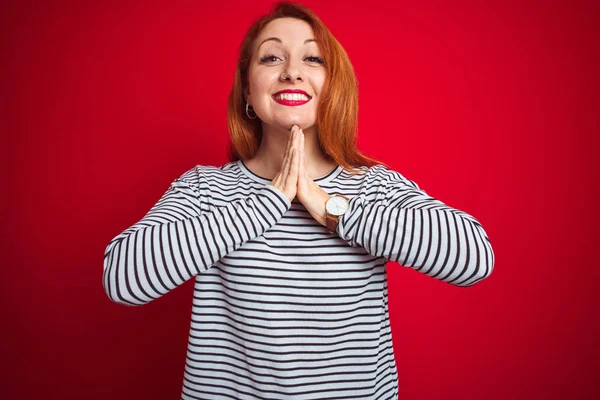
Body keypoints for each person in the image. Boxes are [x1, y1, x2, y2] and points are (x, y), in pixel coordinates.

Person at [102, 2, 495, 399]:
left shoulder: (373, 186)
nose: (292, 71)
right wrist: (267, 203)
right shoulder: (205, 189)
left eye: (312, 57)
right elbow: (122, 280)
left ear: (332, 90)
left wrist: (329, 207)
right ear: (248, 94)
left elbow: (474, 259)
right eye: (272, 57)